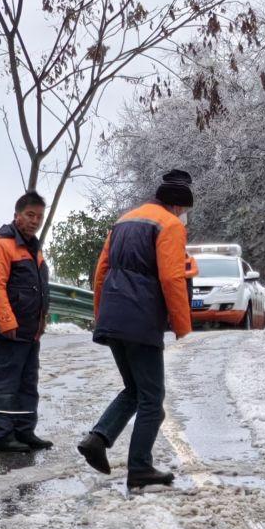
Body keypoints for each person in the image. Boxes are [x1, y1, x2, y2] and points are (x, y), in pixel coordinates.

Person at [78, 170, 194, 490]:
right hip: (141, 317)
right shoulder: (168, 225)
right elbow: (172, 278)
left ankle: (98, 438)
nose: (185, 217)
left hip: (115, 314)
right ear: (178, 206)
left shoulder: (125, 220)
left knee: (135, 390)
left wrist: (102, 314)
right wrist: (182, 324)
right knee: (152, 399)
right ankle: (140, 468)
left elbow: (101, 271)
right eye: (185, 211)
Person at [0, 191, 53, 450]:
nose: (35, 221)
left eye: (39, 217)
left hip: (30, 330)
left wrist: (42, 319)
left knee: (27, 383)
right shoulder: (0, 245)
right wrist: (6, 322)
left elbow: (40, 289)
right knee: (6, 383)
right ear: (17, 215)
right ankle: (1, 437)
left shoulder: (33, 247)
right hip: (10, 330)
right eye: (30, 215)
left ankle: (24, 432)